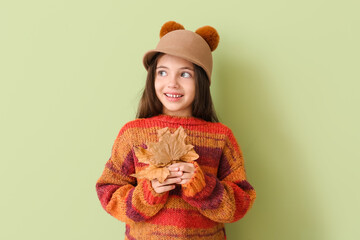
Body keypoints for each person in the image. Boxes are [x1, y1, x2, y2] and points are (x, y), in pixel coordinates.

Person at [96, 21, 256, 240]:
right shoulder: (132, 134)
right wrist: (148, 193)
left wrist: (204, 187)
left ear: (201, 81)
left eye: (185, 74)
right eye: (162, 72)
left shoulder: (221, 137)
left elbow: (241, 203)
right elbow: (108, 193)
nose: (172, 83)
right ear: (152, 77)